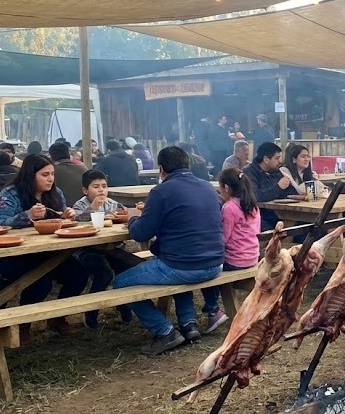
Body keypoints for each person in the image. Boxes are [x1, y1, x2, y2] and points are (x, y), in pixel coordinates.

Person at [113, 146, 224, 356]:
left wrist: (133, 217)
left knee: (120, 283)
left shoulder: (161, 192)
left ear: (161, 169)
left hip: (185, 266)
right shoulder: (208, 187)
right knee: (179, 263)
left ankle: (164, 331)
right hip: (216, 263)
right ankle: (189, 324)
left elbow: (140, 233)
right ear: (188, 165)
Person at [0, 154, 87, 339]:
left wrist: (66, 215)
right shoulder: (11, 193)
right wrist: (26, 215)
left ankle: (58, 317)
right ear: (30, 175)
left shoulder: (55, 193)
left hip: (51, 253)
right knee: (41, 283)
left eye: (52, 174)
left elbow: (59, 219)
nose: (50, 179)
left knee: (79, 275)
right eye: (45, 175)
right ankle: (24, 324)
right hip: (16, 255)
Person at [200, 168, 260, 333]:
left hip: (234, 260)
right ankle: (212, 307)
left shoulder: (229, 208)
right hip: (252, 257)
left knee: (206, 267)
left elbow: (223, 238)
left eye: (220, 189)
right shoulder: (252, 205)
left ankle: (213, 309)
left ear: (226, 187)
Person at [72, 169, 133, 329]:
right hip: (87, 250)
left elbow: (123, 215)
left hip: (112, 247)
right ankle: (91, 311)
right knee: (104, 274)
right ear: (85, 190)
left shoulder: (112, 203)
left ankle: (124, 306)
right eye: (96, 186)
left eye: (104, 186)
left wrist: (125, 214)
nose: (101, 190)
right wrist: (92, 209)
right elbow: (76, 220)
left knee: (127, 269)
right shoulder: (80, 205)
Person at [243, 142, 303, 230]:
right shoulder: (249, 172)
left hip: (279, 214)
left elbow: (289, 191)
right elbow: (254, 196)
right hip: (259, 217)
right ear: (266, 159)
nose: (280, 161)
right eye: (277, 158)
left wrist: (299, 195)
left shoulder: (275, 170)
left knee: (307, 224)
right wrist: (278, 187)